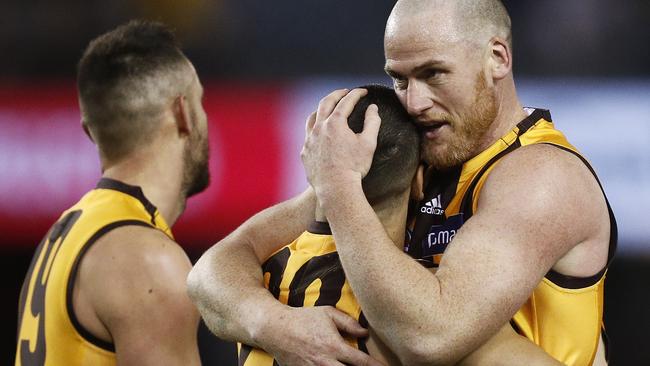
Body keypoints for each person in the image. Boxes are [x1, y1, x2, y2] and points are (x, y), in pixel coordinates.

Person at [188, 0, 615, 365]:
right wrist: (277, 326)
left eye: (433, 74)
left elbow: (431, 339)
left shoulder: (540, 176)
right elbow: (213, 271)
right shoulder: (418, 155)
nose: (414, 101)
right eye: (400, 78)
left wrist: (338, 187)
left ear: (497, 59)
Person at [233, 84, 563, 366]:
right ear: (420, 180)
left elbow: (216, 268)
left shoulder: (252, 278)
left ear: (316, 161)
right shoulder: (418, 304)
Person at [15, 20, 207, 366]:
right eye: (200, 102)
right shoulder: (146, 261)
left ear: (90, 132)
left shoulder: (64, 235)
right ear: (182, 113)